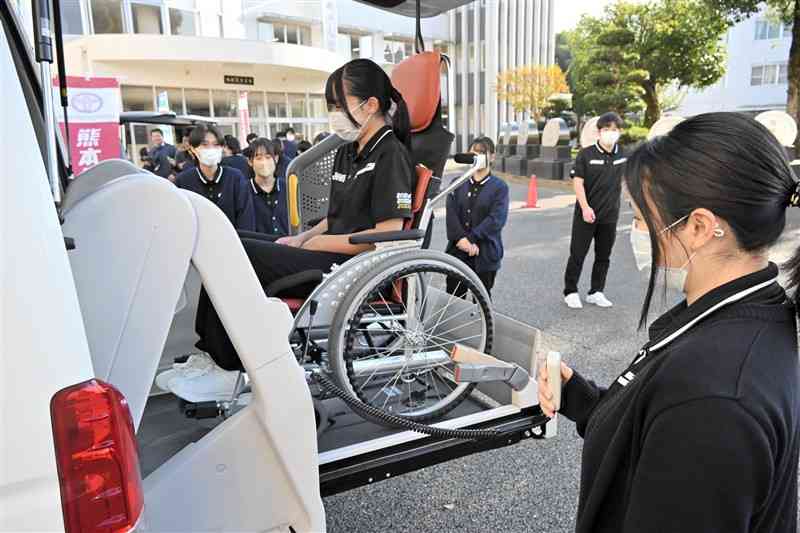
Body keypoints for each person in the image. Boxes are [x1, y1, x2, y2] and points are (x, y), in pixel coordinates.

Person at [538, 112, 800, 533]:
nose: (636, 232)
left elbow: (686, 417)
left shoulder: (715, 397)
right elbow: (654, 423)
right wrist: (578, 396)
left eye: (642, 219)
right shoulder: (742, 316)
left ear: (699, 226)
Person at [161, 58, 414, 401]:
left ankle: (226, 366)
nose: (334, 114)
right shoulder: (350, 151)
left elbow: (386, 237)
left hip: (351, 267)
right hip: (327, 250)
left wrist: (322, 242)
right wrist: (303, 238)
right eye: (332, 107)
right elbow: (339, 215)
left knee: (239, 254)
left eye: (339, 106)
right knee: (227, 240)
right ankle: (209, 355)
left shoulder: (391, 155)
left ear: (370, 105)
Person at [563, 112, 626, 309]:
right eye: (606, 129)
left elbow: (626, 181)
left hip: (610, 215)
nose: (610, 133)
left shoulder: (623, 154)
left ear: (620, 132)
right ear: (599, 132)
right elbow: (578, 183)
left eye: (614, 130)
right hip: (586, 214)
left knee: (603, 256)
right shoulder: (586, 154)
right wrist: (585, 207)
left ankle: (596, 291)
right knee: (578, 254)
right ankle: (570, 291)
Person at [445, 136, 509, 298]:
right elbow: (451, 216)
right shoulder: (457, 183)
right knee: (452, 299)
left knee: (481, 300)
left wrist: (472, 238)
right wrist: (461, 240)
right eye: (474, 153)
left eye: (482, 152)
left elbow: (496, 220)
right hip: (457, 251)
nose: (478, 156)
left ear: (492, 156)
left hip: (485, 253)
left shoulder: (499, 187)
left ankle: (482, 325)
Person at [174, 124, 255, 231]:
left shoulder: (235, 178)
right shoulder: (183, 181)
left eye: (216, 145)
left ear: (222, 148)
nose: (211, 149)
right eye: (205, 145)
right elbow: (181, 221)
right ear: (193, 149)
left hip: (234, 243)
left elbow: (246, 219)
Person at [246, 137, 288, 236]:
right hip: (258, 248)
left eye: (268, 157)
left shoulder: (288, 188)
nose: (264, 162)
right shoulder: (243, 191)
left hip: (288, 248)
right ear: (250, 161)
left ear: (276, 159)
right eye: (259, 158)